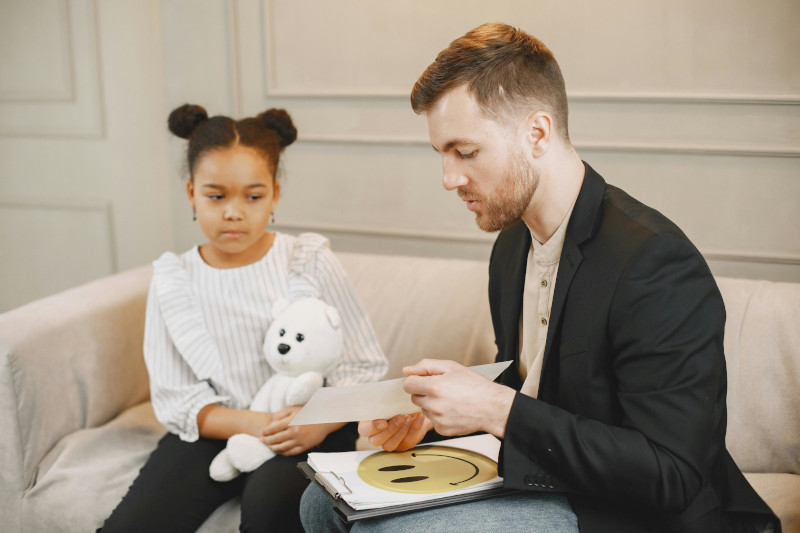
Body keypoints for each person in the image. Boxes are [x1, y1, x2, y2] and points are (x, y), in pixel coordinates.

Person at [300, 22, 779, 533]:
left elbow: (672, 473)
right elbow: (543, 386)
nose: (449, 179)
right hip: (557, 480)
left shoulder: (655, 262)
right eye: (440, 154)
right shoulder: (511, 246)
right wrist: (438, 412)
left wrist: (496, 409)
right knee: (317, 502)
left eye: (465, 152)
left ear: (537, 133)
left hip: (635, 513)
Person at [99, 105, 388, 533]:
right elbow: (177, 396)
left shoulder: (307, 259)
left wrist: (316, 423)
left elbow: (364, 365)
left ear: (274, 194)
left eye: (252, 197)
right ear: (191, 194)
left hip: (307, 425)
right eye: (216, 196)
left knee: (273, 512)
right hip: (219, 426)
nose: (233, 212)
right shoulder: (174, 281)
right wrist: (253, 424)